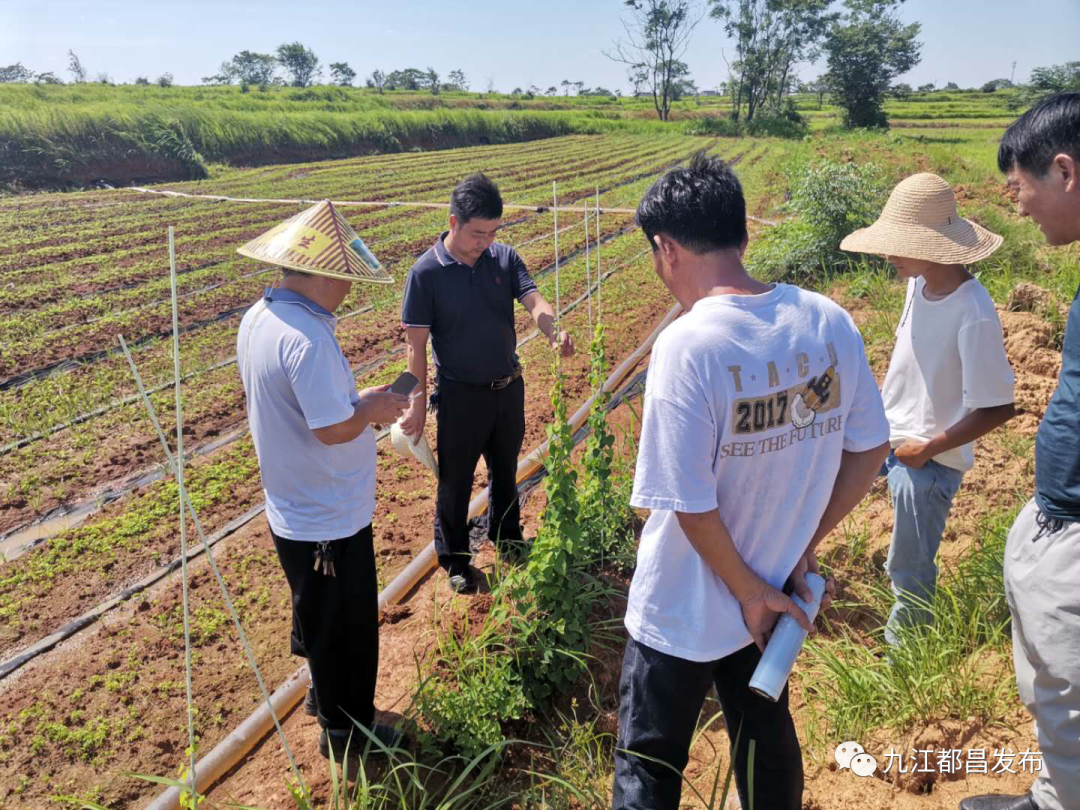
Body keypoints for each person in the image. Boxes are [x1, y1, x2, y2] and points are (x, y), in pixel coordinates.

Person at [612, 152, 891, 810]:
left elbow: (688, 505)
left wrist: (746, 591)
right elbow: (871, 445)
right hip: (772, 597)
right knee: (765, 742)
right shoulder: (825, 320)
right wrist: (793, 550)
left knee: (648, 767)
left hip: (682, 607)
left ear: (666, 249)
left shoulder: (688, 345)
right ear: (741, 234)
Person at [235, 201, 409, 767]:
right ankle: (346, 730)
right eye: (344, 280)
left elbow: (318, 409)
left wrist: (359, 404)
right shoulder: (306, 338)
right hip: (327, 515)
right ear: (319, 273)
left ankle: (320, 692)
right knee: (348, 628)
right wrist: (376, 408)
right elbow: (334, 426)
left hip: (291, 504)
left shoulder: (260, 317)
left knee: (316, 614)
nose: (348, 291)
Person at [960, 92, 1080, 810]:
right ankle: (1056, 792)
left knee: (1070, 682)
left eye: (1021, 189)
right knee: (1053, 684)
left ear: (1063, 171)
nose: (1020, 207)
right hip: (1058, 517)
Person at [840, 173, 1016, 647]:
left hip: (928, 461)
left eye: (899, 244)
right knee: (823, 491)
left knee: (909, 566)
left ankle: (907, 657)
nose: (888, 253)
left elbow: (998, 407)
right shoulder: (917, 286)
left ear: (933, 246)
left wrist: (931, 447)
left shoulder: (973, 312)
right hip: (888, 436)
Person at [399, 173, 574, 594]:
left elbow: (533, 299)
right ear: (453, 222)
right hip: (460, 396)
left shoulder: (504, 258)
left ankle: (508, 538)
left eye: (493, 232)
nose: (486, 241)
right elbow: (415, 348)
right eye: (478, 233)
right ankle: (456, 559)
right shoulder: (426, 273)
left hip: (508, 387)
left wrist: (552, 330)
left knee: (505, 469)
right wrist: (417, 403)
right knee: (456, 481)